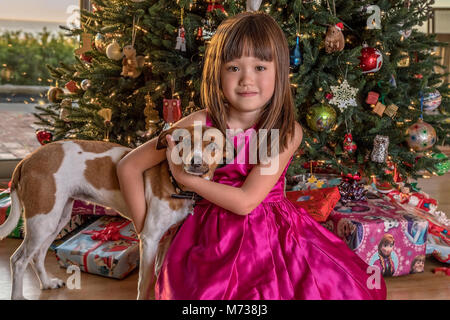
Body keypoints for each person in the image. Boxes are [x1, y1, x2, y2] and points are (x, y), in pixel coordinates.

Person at [117, 12, 386, 300]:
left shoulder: (286, 131)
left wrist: (187, 180)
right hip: (207, 239)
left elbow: (246, 201)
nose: (247, 79)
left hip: (272, 238)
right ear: (217, 72)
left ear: (279, 72)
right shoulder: (199, 122)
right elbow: (129, 167)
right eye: (233, 68)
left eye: (260, 66)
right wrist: (149, 233)